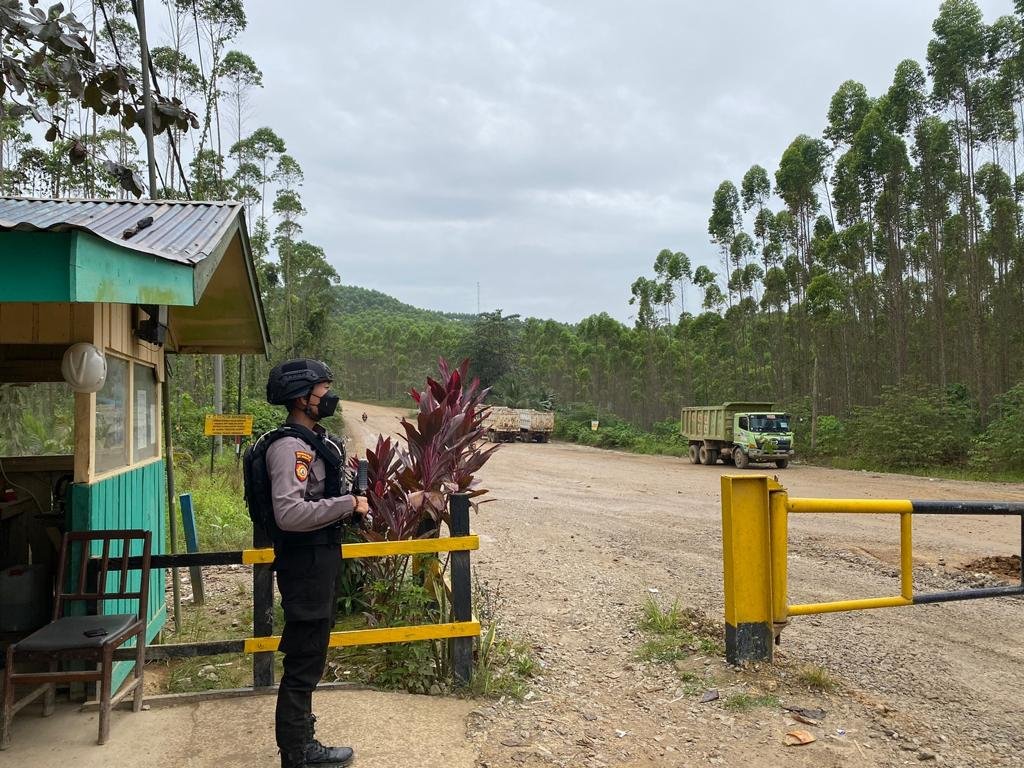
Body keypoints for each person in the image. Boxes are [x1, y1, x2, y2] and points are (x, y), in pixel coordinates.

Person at [263, 358, 369, 768]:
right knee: (304, 659)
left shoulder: (309, 442)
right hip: (304, 564)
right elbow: (289, 514)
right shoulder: (291, 447)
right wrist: (347, 504)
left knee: (310, 654)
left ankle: (301, 743)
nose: (329, 397)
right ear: (300, 397)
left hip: (315, 562)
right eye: (322, 390)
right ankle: (298, 751)